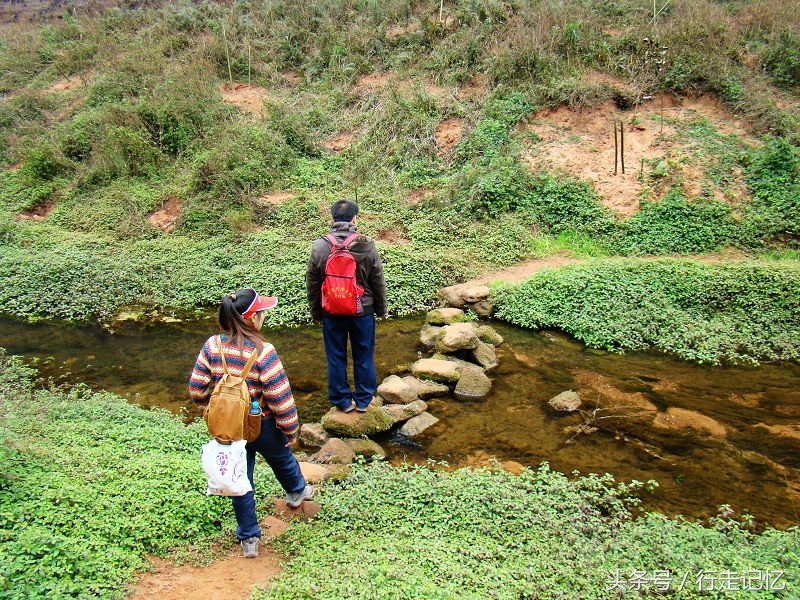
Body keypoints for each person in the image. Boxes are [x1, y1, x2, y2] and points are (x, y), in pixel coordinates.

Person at [189, 287, 313, 559]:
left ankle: (249, 538)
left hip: (230, 430)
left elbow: (197, 388)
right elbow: (280, 397)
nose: (264, 317)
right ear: (252, 318)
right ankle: (296, 492)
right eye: (262, 313)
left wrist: (208, 409)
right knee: (282, 458)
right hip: (264, 425)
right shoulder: (263, 351)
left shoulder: (213, 346)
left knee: (240, 480)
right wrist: (290, 429)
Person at [306, 199, 387, 413]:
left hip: (331, 310)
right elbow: (377, 279)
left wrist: (316, 312)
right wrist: (381, 309)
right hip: (362, 310)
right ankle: (362, 400)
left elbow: (313, 283)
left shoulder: (320, 245)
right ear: (355, 219)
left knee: (335, 356)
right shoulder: (366, 244)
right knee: (363, 355)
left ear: (332, 219)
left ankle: (342, 401)